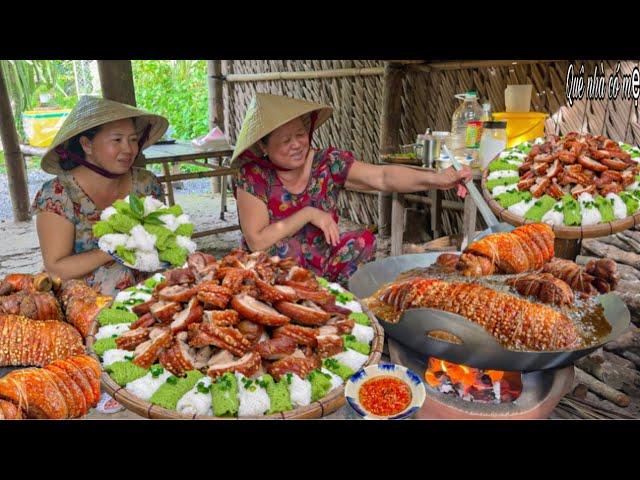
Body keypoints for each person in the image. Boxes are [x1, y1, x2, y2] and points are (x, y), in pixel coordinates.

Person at [231, 93, 472, 286]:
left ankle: (330, 294)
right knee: (282, 250)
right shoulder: (253, 176)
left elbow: (383, 177)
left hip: (321, 264)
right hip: (273, 271)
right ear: (263, 145)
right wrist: (309, 213)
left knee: (362, 241)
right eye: (285, 141)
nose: (296, 145)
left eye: (301, 134)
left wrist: (439, 179)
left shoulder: (326, 162)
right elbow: (258, 241)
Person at [32, 96, 169, 296]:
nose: (128, 149)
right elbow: (56, 268)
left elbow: (163, 240)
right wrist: (111, 251)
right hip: (85, 306)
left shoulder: (146, 184)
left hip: (149, 299)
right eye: (117, 140)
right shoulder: (58, 196)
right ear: (87, 145)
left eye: (133, 139)